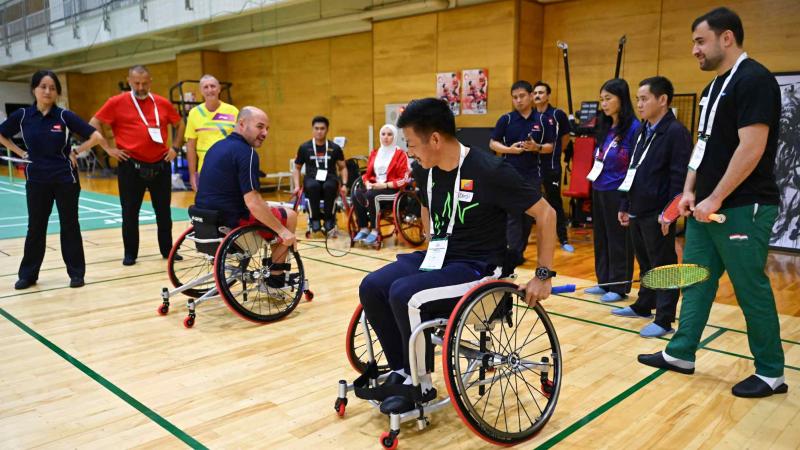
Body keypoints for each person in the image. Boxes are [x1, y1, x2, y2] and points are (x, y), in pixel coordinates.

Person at [359, 98, 557, 414]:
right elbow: (425, 205)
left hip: (478, 267)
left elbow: (546, 214)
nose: (409, 151)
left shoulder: (490, 170)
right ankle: (400, 368)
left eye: (411, 144)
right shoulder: (425, 170)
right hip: (439, 257)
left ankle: (418, 382)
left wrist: (543, 275)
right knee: (372, 286)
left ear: (435, 139)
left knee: (405, 294)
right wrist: (430, 240)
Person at [639, 7, 787, 398]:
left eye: (700, 41)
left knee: (749, 286)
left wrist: (717, 196)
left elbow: (752, 147)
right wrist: (688, 191)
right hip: (706, 205)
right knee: (697, 282)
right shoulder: (712, 89)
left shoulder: (754, 80)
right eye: (693, 43)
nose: (694, 50)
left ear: (727, 38)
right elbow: (702, 146)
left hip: (743, 207)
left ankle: (772, 372)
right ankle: (681, 352)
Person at [0, 70, 117, 290]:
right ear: (34, 89)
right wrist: (18, 152)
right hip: (36, 180)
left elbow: (96, 137)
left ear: (57, 92)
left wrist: (76, 150)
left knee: (70, 226)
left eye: (52, 88)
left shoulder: (64, 116)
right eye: (43, 87)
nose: (47, 91)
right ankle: (28, 274)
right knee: (35, 227)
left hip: (65, 180)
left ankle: (76, 274)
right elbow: (1, 134)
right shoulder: (23, 116)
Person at [613, 76, 692, 338]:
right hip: (637, 206)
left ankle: (665, 318)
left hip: (658, 212)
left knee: (664, 265)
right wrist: (625, 203)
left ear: (663, 100)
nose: (639, 104)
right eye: (637, 99)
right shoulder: (641, 130)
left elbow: (678, 177)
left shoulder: (675, 132)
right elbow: (632, 169)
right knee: (645, 262)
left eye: (644, 98)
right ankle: (644, 304)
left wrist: (670, 214)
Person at [90, 65, 185, 266]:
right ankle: (130, 254)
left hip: (160, 164)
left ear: (150, 81)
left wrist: (175, 147)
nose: (141, 87)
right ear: (129, 81)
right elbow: (94, 122)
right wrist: (108, 149)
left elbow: (179, 124)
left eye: (144, 83)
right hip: (130, 166)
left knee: (164, 212)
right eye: (136, 83)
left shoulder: (161, 103)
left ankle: (168, 251)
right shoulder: (116, 102)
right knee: (130, 212)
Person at [194, 107, 297, 286]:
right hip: (232, 223)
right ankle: (276, 278)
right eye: (260, 127)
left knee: (271, 208)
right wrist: (283, 231)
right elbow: (252, 202)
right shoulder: (246, 153)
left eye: (267, 129)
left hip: (206, 220)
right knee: (290, 216)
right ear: (242, 124)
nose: (265, 133)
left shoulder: (216, 147)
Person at [585, 78, 639, 303]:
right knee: (602, 237)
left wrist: (628, 196)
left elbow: (634, 163)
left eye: (608, 99)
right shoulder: (605, 127)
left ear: (621, 99)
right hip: (600, 187)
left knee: (619, 239)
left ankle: (618, 285)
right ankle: (604, 281)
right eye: (601, 99)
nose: (604, 104)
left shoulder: (634, 128)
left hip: (618, 190)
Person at [490, 80, 553, 267]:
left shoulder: (543, 120)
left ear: (531, 96)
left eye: (522, 96)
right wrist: (509, 150)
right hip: (509, 173)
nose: (518, 100)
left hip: (533, 174)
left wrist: (536, 147)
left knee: (528, 216)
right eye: (515, 97)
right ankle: (513, 253)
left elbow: (551, 146)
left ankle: (520, 250)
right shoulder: (506, 119)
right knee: (512, 215)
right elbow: (493, 143)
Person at [531, 80, 575, 252]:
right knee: (529, 202)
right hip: (532, 168)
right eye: (535, 93)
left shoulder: (557, 115)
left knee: (555, 202)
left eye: (541, 92)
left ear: (548, 96)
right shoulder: (530, 115)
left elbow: (565, 139)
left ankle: (563, 239)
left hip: (551, 166)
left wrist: (554, 153)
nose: (537, 96)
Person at [352, 124, 410, 245]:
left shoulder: (400, 154)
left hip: (393, 190)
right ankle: (363, 228)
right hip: (374, 188)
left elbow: (404, 179)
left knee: (372, 196)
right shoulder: (375, 153)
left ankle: (375, 230)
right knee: (356, 194)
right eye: (383, 134)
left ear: (394, 136)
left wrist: (385, 185)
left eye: (389, 134)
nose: (386, 137)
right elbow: (367, 174)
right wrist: (367, 182)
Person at [292, 116, 348, 233]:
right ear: (312, 129)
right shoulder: (304, 147)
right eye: (316, 128)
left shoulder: (335, 148)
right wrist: (297, 186)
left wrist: (344, 184)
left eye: (322, 128)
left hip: (330, 178)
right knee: (313, 186)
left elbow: (342, 167)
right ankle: (314, 219)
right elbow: (297, 168)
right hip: (311, 178)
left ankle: (329, 219)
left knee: (329, 186)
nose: (319, 131)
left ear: (327, 130)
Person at [184, 74, 239, 191]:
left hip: (230, 171)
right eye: (206, 87)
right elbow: (190, 147)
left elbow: (240, 143)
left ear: (219, 89)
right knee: (207, 207)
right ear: (201, 91)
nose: (210, 90)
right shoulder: (194, 113)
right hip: (205, 172)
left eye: (213, 86)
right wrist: (192, 175)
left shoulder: (233, 111)